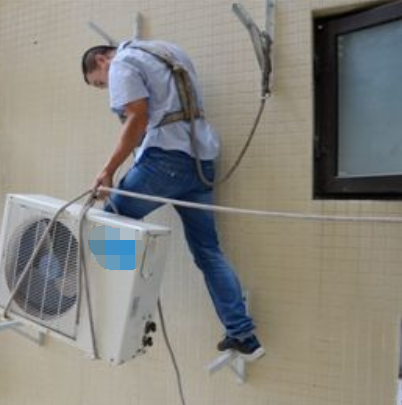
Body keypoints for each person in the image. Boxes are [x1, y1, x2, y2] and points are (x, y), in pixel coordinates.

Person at [81, 39, 265, 361]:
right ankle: (243, 335)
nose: (106, 88)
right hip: (201, 162)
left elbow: (137, 118)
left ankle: (117, 317)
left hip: (165, 162)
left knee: (110, 225)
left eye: (99, 83)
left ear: (101, 60)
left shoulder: (122, 62)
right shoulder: (168, 51)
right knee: (208, 252)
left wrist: (108, 171)